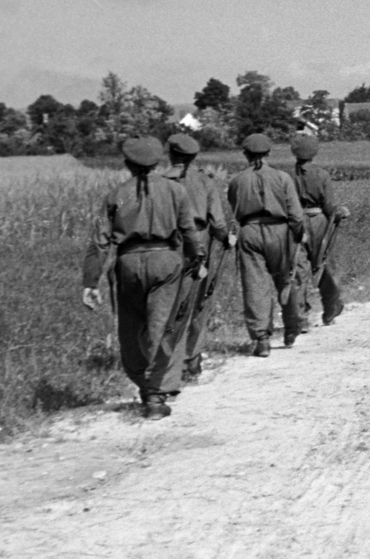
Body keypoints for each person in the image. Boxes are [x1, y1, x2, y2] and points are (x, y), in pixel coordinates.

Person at [80, 136, 203, 420]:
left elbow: (99, 241)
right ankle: (158, 393)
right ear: (159, 162)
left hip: (127, 263)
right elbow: (188, 231)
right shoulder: (176, 191)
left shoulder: (115, 195)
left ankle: (145, 386)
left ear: (127, 164)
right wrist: (197, 260)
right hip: (166, 261)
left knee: (131, 325)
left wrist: (90, 281)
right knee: (164, 325)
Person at [162, 133, 234, 384]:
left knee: (170, 302)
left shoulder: (159, 182)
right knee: (198, 300)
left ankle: (169, 358)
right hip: (199, 242)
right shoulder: (205, 182)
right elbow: (218, 223)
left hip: (168, 245)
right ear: (194, 157)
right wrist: (226, 239)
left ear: (170, 155)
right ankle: (191, 357)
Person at [226, 133, 307, 356]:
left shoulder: (237, 180)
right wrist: (298, 234)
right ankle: (292, 328)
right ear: (269, 153)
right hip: (280, 231)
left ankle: (261, 338)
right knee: (287, 278)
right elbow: (296, 215)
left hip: (249, 231)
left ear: (246, 154)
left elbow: (234, 207)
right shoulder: (283, 178)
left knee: (255, 284)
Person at [290, 134, 351, 326]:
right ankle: (330, 308)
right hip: (318, 222)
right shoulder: (321, 175)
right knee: (324, 263)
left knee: (297, 269)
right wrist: (340, 212)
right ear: (314, 152)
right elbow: (329, 205)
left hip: (295, 222)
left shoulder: (287, 176)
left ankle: (301, 317)